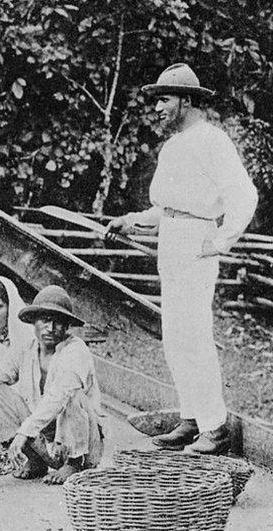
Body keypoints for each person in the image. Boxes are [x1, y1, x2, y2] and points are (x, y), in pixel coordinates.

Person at [107, 63, 258, 455]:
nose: (156, 108)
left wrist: (221, 241)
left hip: (196, 243)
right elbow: (168, 208)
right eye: (156, 100)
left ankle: (215, 427)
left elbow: (245, 195)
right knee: (175, 338)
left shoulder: (212, 140)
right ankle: (191, 419)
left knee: (194, 336)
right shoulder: (173, 146)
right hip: (172, 243)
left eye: (164, 99)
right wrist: (132, 221)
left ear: (187, 101)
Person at [0, 285, 105, 485]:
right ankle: (36, 461)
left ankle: (74, 464)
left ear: (67, 325)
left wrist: (24, 432)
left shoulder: (76, 351)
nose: (50, 328)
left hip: (81, 444)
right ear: (34, 322)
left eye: (58, 322)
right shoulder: (26, 348)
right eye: (44, 320)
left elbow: (58, 397)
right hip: (44, 439)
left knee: (73, 395)